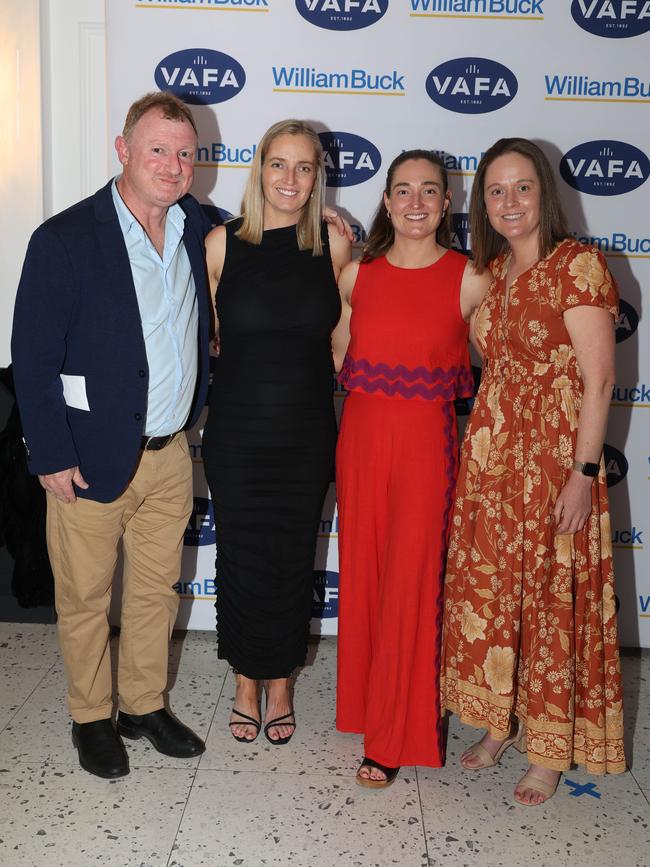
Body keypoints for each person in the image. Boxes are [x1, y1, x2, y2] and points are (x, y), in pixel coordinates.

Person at [11, 92, 213, 778]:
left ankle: (142, 704)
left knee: (157, 591)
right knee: (86, 596)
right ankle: (91, 715)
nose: (173, 164)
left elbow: (263, 241)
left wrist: (323, 220)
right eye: (157, 148)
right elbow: (32, 357)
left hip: (170, 455)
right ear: (122, 150)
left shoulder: (196, 229)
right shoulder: (66, 238)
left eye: (185, 153)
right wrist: (51, 453)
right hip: (87, 457)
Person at [441, 138, 625, 805]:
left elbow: (601, 379)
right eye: (495, 191)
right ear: (482, 203)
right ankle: (499, 721)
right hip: (492, 463)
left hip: (552, 463)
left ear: (544, 193)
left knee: (549, 596)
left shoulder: (576, 266)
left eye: (521, 187)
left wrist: (582, 472)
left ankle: (548, 747)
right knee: (496, 594)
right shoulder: (490, 270)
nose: (509, 201)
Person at [332, 150, 490, 787]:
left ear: (446, 201)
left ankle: (395, 734)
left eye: (430, 190)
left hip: (428, 445)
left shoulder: (471, 277)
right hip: (362, 438)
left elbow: (507, 361)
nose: (417, 202)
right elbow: (336, 351)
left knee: (412, 583)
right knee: (365, 576)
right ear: (388, 201)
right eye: (404, 190)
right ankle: (367, 709)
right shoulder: (354, 276)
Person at [202, 119, 351, 745]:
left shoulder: (336, 247)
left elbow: (343, 345)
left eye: (304, 167)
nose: (290, 179)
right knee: (239, 552)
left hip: (306, 430)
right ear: (259, 168)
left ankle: (281, 681)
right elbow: (211, 336)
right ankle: (244, 678)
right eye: (278, 164)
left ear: (318, 177)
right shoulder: (219, 244)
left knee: (292, 557)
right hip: (237, 429)